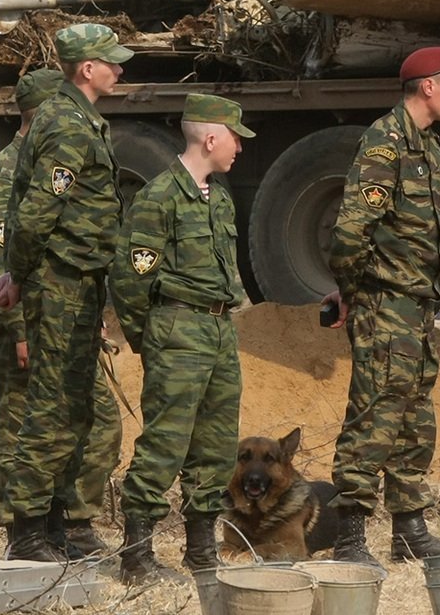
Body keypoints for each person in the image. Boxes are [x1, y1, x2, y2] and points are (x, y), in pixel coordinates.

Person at [0, 22, 129, 563]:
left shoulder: (76, 118)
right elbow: (38, 211)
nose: (119, 68)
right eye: (110, 61)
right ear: (86, 69)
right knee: (51, 408)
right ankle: (27, 532)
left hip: (77, 278)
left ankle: (52, 524)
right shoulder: (68, 125)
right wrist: (18, 277)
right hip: (60, 279)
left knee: (72, 409)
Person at [327, 45, 440, 565]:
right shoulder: (385, 143)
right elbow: (351, 231)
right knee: (374, 415)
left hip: (415, 307)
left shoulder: (426, 146)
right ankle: (350, 539)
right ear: (428, 86)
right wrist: (355, 291)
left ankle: (409, 530)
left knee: (413, 417)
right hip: (385, 304)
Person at [111, 94, 252, 583]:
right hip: (177, 329)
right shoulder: (159, 198)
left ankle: (200, 549)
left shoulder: (220, 198)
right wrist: (148, 339)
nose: (239, 148)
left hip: (218, 330)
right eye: (235, 137)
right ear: (211, 138)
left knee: (214, 445)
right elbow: (130, 280)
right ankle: (136, 555)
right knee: (166, 443)